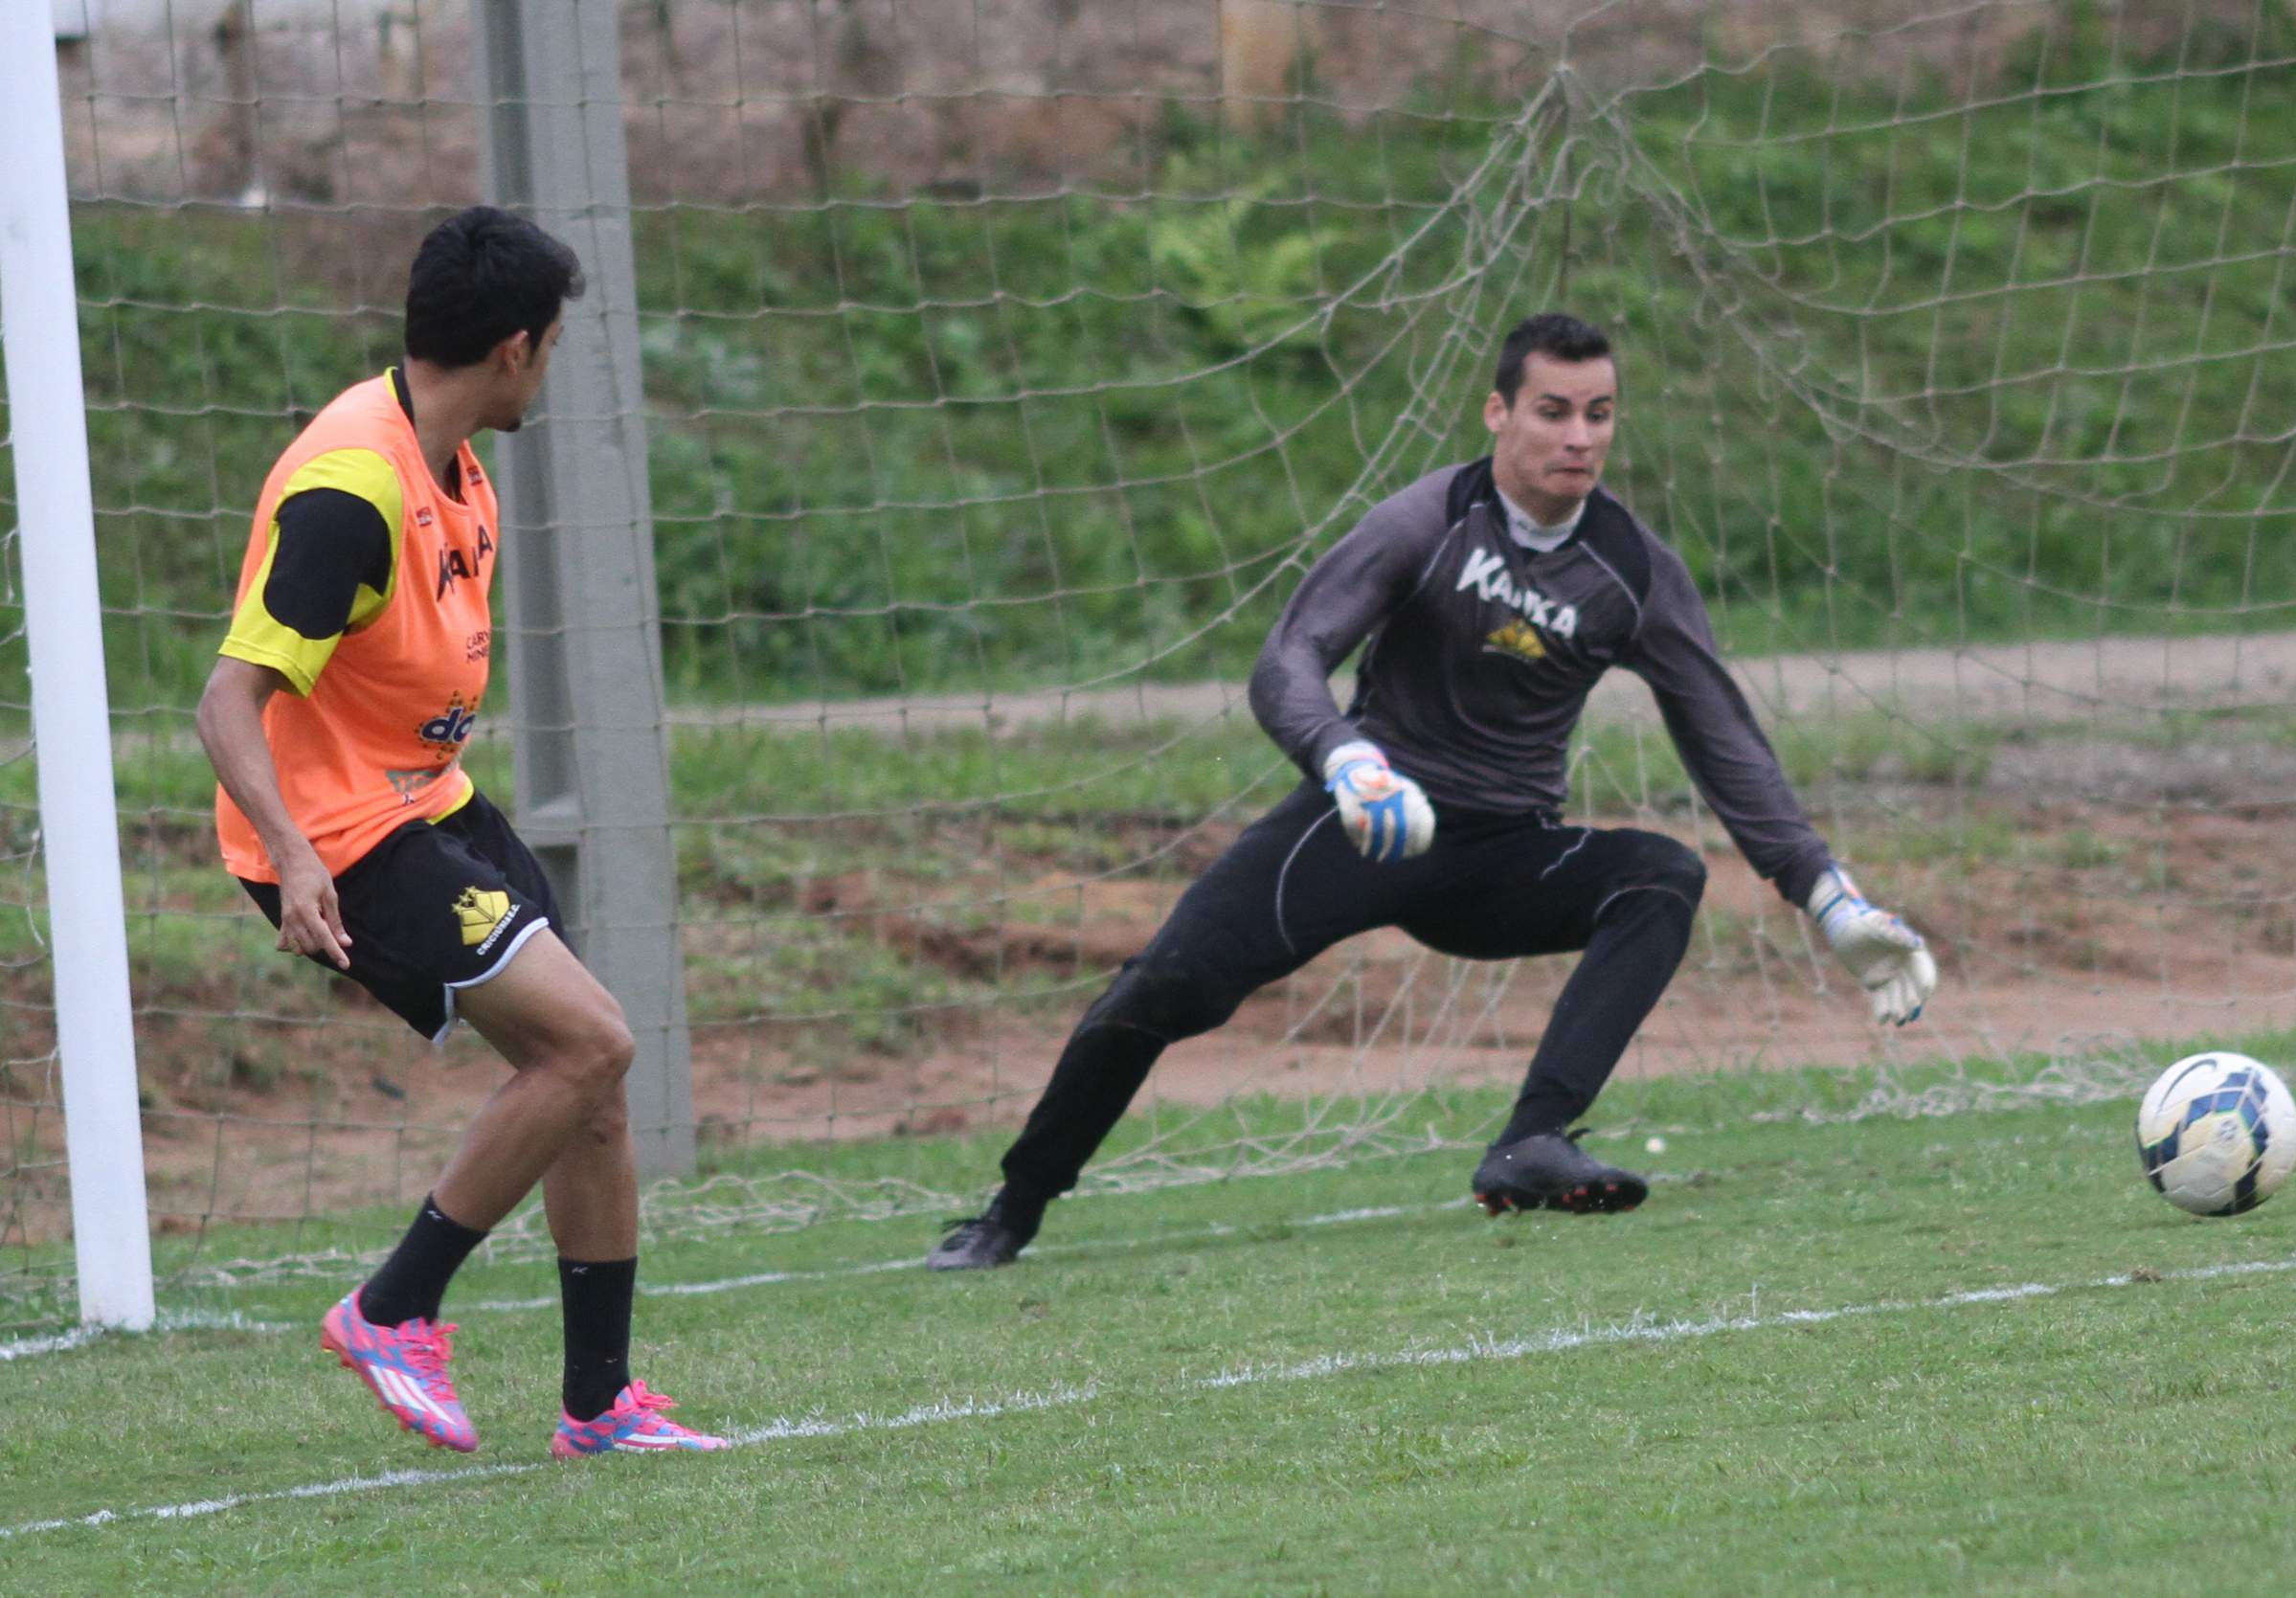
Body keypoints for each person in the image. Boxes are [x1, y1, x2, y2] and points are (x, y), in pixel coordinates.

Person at [930, 311, 1936, 1271]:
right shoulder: (1425, 521)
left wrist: (1824, 890)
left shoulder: (1631, 569)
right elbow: (1289, 657)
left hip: (1499, 854)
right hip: (1365, 821)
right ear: (1498, 413)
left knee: (1661, 874)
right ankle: (1012, 1208)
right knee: (1162, 990)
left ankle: (1533, 1141)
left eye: (1599, 413)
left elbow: (1723, 739)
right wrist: (1342, 756)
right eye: (1552, 410)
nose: (1578, 436)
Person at [195, 207, 723, 1457]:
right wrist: (301, 854)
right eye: (552, 346)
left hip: (425, 797)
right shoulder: (351, 490)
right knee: (592, 1041)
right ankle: (392, 1309)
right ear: (514, 349)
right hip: (335, 831)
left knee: (589, 1080)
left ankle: (599, 1407)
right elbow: (228, 702)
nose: (549, 366)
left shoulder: (454, 458)